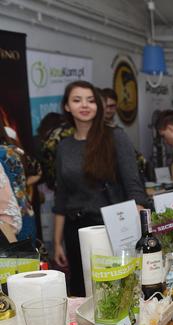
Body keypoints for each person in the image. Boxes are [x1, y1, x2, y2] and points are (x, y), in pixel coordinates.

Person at [53, 81, 148, 296]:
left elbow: (133, 185)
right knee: (82, 290)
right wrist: (57, 243)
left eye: (91, 100)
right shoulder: (64, 146)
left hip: (109, 226)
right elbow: (61, 196)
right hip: (75, 229)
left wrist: (139, 231)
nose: (84, 105)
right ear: (67, 106)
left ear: (98, 106)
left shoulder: (115, 137)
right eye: (77, 100)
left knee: (115, 291)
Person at [0, 127, 37, 242]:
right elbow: (38, 171)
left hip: (9, 228)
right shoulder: (15, 151)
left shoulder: (4, 153)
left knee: (18, 257)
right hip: (26, 214)